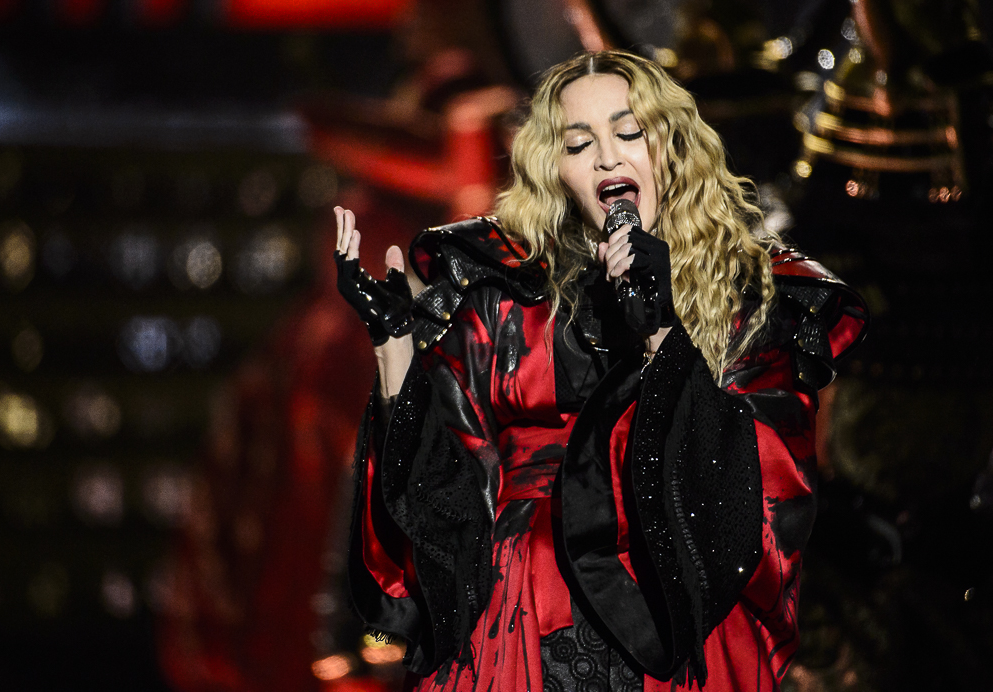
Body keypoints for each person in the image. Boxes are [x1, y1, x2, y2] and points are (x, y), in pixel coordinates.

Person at [332, 50, 867, 692]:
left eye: (630, 133)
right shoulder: (502, 297)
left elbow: (763, 495)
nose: (608, 158)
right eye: (579, 144)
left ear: (672, 147)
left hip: (664, 630)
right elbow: (441, 514)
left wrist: (662, 331)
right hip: (513, 631)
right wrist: (394, 349)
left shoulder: (750, 299)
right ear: (556, 170)